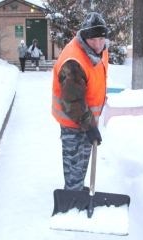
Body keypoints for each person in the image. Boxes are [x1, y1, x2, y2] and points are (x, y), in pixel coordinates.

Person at [51, 12, 109, 191]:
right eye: (93, 39)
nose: (98, 44)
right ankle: (72, 198)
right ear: (84, 37)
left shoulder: (100, 50)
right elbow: (72, 102)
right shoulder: (73, 62)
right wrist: (90, 126)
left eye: (101, 38)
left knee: (83, 160)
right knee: (75, 164)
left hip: (86, 119)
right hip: (73, 122)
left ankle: (76, 189)